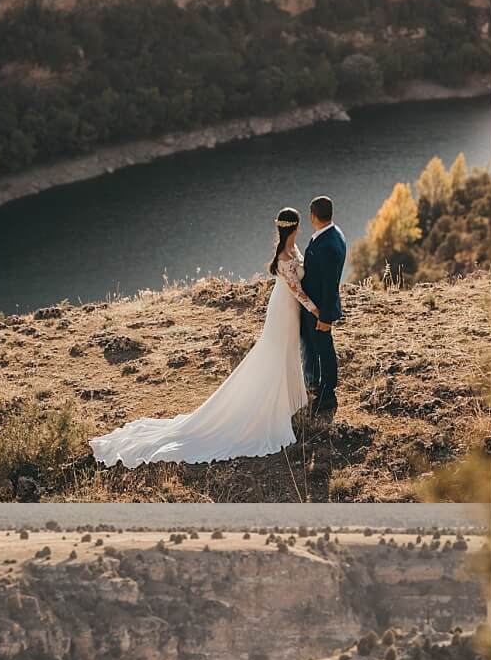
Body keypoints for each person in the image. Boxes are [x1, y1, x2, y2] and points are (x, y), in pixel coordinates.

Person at [89, 207, 318, 466]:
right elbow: (295, 289)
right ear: (295, 227)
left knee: (287, 352)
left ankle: (289, 400)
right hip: (284, 309)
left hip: (289, 310)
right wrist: (315, 309)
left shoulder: (291, 250)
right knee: (274, 354)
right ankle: (269, 407)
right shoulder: (285, 257)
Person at [299, 195, 346, 416]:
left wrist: (325, 318)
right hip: (315, 308)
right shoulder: (332, 235)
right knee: (317, 348)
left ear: (312, 216)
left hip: (319, 310)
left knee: (324, 350)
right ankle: (317, 386)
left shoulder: (327, 245)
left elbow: (329, 285)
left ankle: (327, 396)